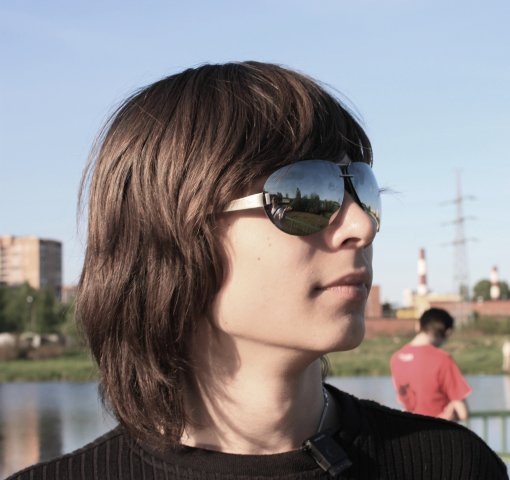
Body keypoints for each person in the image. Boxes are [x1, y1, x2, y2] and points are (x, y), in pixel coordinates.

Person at [9, 62, 506, 479]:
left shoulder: (451, 465)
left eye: (361, 189)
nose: (361, 225)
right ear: (166, 236)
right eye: (305, 196)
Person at [390, 307, 472, 421]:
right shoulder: (443, 359)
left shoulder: (396, 359)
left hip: (410, 429)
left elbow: (402, 400)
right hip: (437, 429)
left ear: (418, 326)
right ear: (448, 332)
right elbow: (463, 413)